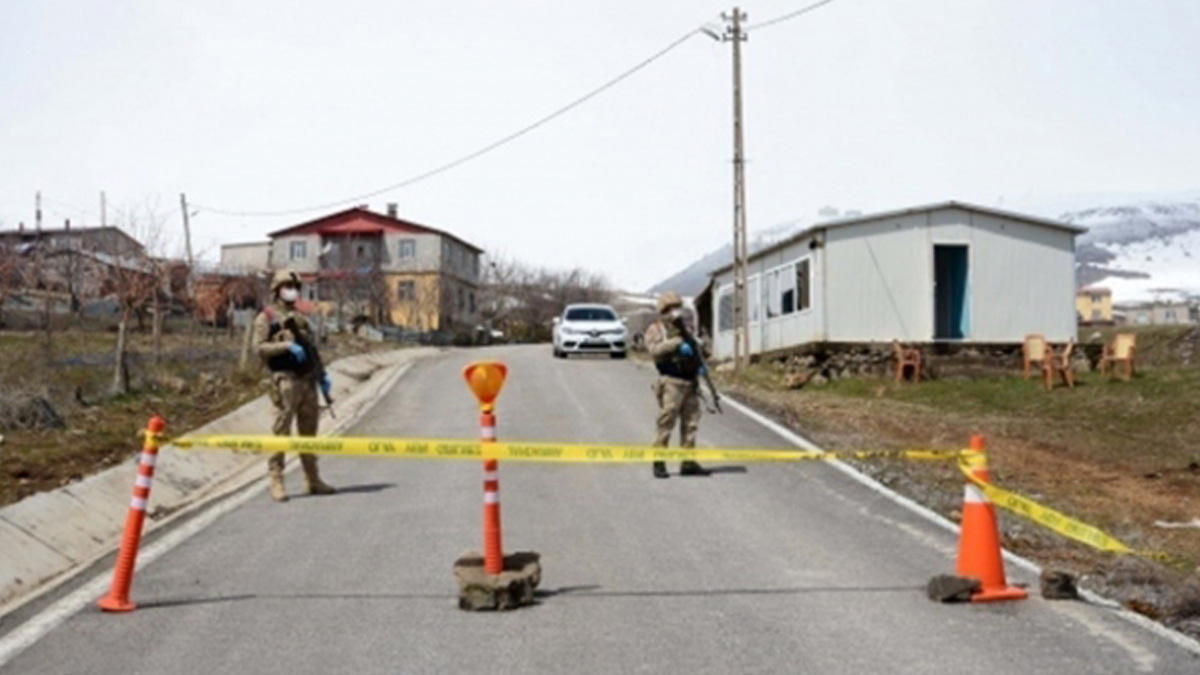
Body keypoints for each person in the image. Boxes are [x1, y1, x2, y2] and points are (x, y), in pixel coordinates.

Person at [253, 270, 336, 502]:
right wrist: (286, 347)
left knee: (309, 433)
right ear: (277, 289)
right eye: (287, 285)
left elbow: (311, 350)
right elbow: (259, 348)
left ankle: (312, 479)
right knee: (282, 431)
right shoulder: (266, 317)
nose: (292, 290)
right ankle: (276, 480)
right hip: (285, 380)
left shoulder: (301, 318)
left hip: (307, 380)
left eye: (294, 286)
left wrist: (323, 376)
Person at [644, 291, 711, 479]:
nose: (675, 312)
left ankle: (688, 462)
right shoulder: (657, 329)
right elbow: (654, 351)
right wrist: (677, 343)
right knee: (666, 423)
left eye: (677, 307)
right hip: (671, 382)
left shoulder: (689, 327)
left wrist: (700, 356)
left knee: (691, 424)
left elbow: (704, 349)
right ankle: (659, 462)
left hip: (690, 381)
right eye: (670, 308)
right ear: (663, 310)